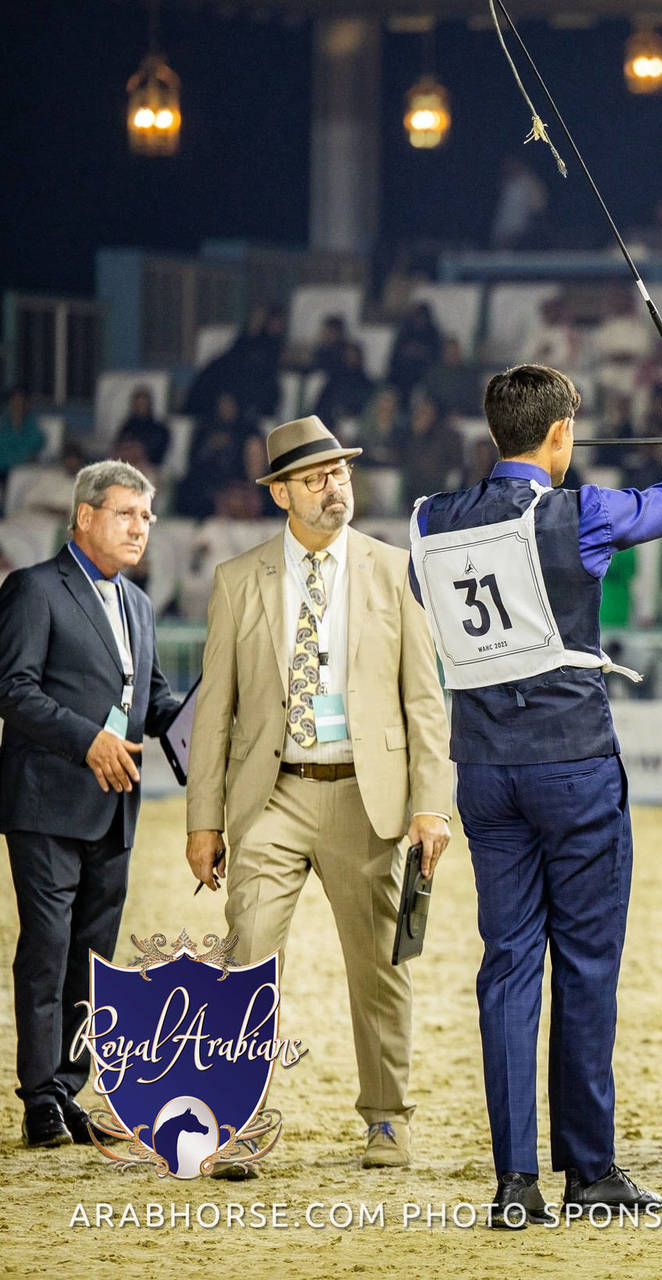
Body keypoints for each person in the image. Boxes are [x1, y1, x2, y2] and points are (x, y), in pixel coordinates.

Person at [406, 341, 662, 1229]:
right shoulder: (579, 513)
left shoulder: (433, 518)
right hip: (571, 761)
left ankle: (513, 1182)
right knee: (585, 965)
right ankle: (590, 1171)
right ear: (562, 434)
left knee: (506, 967)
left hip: (486, 770)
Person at [183, 415, 453, 1174]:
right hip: (270, 798)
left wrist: (432, 803)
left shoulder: (395, 569)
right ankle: (235, 1122)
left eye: (340, 473)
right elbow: (216, 715)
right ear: (280, 494)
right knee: (246, 958)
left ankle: (387, 1119)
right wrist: (205, 821)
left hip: (368, 800)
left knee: (379, 968)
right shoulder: (238, 581)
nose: (334, 488)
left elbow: (425, 703)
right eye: (315, 478)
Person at [0, 461, 185, 1148]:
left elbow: (154, 699)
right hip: (47, 799)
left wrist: (209, 716)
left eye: (148, 516)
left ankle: (71, 1091)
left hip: (116, 806)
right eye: (126, 514)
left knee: (92, 959)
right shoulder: (33, 589)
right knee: (46, 953)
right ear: (85, 516)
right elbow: (13, 690)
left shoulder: (137, 604)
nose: (141, 528)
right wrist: (89, 741)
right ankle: (39, 1098)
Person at [0, 386, 46, 513]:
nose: (17, 406)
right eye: (14, 402)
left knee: (14, 478)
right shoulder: (3, 424)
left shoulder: (32, 426)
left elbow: (33, 448)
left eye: (21, 402)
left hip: (17, 470)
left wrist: (15, 457)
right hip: (3, 466)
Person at [387, 302, 443, 400]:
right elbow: (395, 355)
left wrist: (421, 352)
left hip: (423, 374)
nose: (419, 319)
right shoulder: (404, 332)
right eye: (417, 316)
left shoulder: (433, 334)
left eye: (422, 317)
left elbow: (435, 356)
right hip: (402, 374)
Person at [113, 387, 170, 471]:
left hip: (148, 469)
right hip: (125, 467)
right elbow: (118, 446)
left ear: (149, 405)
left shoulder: (160, 429)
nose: (140, 407)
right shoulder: (127, 426)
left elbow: (157, 455)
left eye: (143, 404)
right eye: (137, 404)